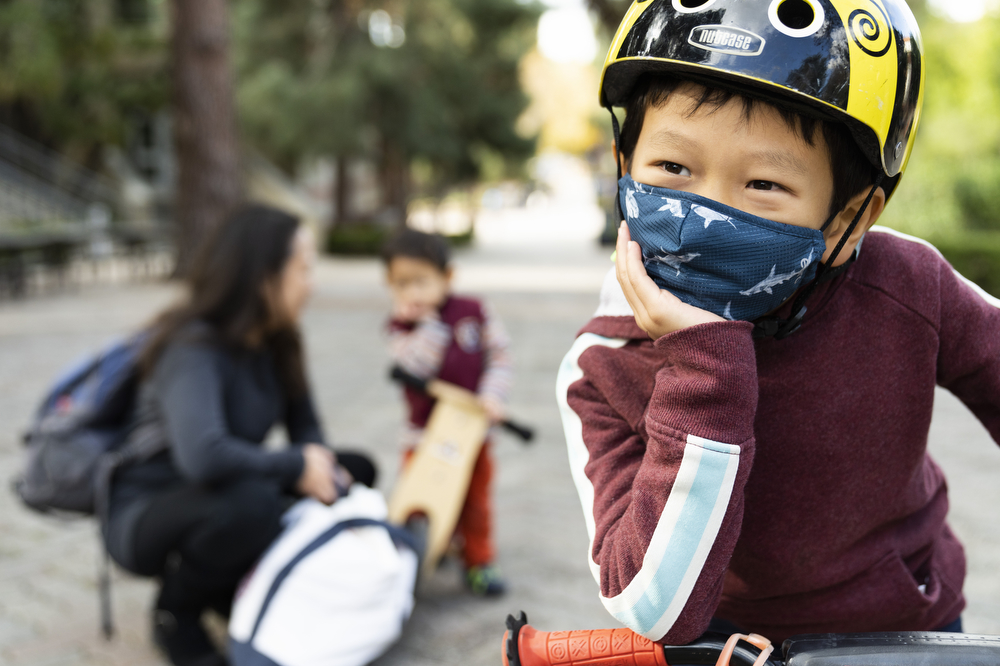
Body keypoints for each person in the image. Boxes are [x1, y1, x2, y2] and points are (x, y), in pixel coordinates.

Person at [555, 0, 999, 649]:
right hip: (729, 642)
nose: (704, 212)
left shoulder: (909, 288)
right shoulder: (606, 361)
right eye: (673, 169)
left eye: (762, 183)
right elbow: (652, 607)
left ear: (851, 219)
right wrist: (703, 365)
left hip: (906, 633)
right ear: (626, 167)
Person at [104, 204, 377, 666]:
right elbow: (203, 456)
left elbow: (306, 429)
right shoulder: (192, 348)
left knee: (355, 468)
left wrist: (321, 468)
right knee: (254, 502)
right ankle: (177, 613)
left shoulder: (278, 339)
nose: (312, 283)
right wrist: (297, 467)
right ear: (261, 276)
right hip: (146, 510)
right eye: (303, 270)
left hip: (220, 490)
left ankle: (235, 584)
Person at [382, 228, 513, 596]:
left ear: (447, 277)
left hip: (472, 433)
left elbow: (499, 356)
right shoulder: (400, 329)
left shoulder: (474, 313)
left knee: (475, 498)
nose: (412, 292)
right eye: (401, 284)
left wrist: (492, 396)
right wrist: (426, 324)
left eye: (421, 281)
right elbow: (418, 365)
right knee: (420, 495)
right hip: (422, 434)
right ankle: (420, 548)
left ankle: (478, 559)